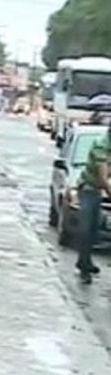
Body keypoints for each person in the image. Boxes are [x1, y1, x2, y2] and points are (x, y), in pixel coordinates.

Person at [76, 120, 111, 284]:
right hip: (88, 189)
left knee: (94, 230)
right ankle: (84, 269)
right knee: (85, 229)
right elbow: (103, 178)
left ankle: (85, 261)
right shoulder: (101, 146)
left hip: (97, 192)